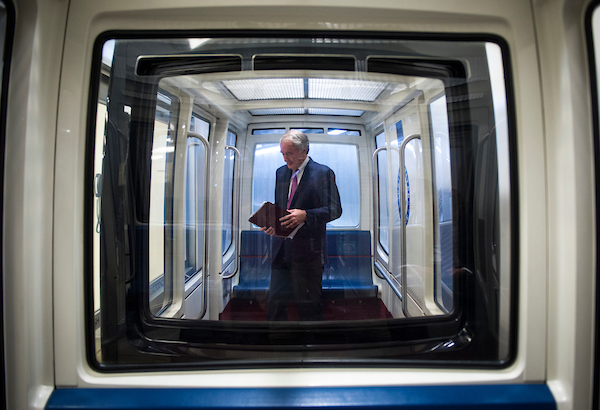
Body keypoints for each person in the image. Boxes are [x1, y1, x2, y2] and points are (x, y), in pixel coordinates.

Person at [261, 130, 342, 321]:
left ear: (304, 150)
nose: (285, 158)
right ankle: (276, 347)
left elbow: (335, 209)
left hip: (308, 253)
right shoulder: (281, 173)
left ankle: (311, 347)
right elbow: (282, 209)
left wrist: (306, 215)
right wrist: (273, 224)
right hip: (281, 249)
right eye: (282, 153)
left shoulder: (323, 173)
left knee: (308, 306)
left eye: (288, 153)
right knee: (275, 304)